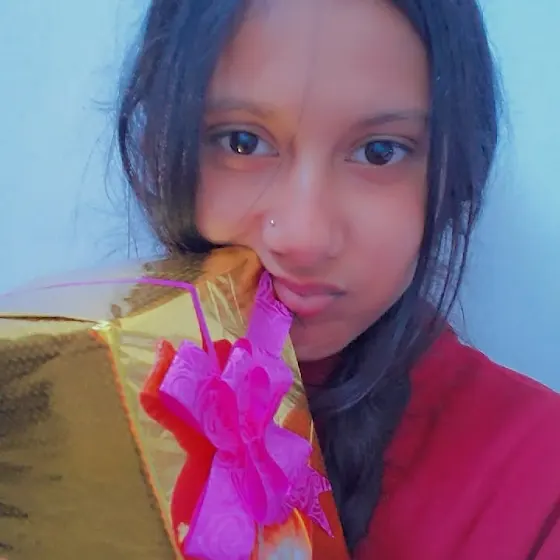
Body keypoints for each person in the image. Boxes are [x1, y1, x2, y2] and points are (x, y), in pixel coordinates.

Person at [117, 0, 560, 557]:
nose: (304, 237)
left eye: (379, 152)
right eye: (242, 142)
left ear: (453, 174)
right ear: (161, 146)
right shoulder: (78, 396)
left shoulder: (539, 480)